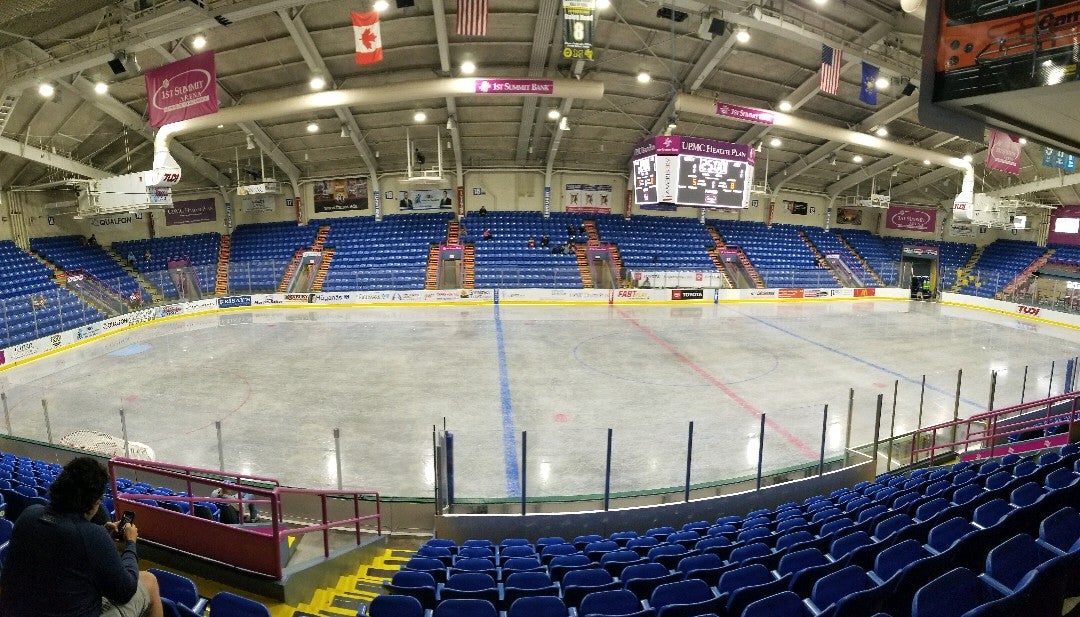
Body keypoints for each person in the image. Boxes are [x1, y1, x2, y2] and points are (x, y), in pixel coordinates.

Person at [0, 457, 164, 617]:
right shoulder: (92, 537)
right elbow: (124, 592)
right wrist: (130, 543)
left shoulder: (29, 514)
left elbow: (62, 545)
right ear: (92, 503)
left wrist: (101, 535)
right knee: (150, 581)